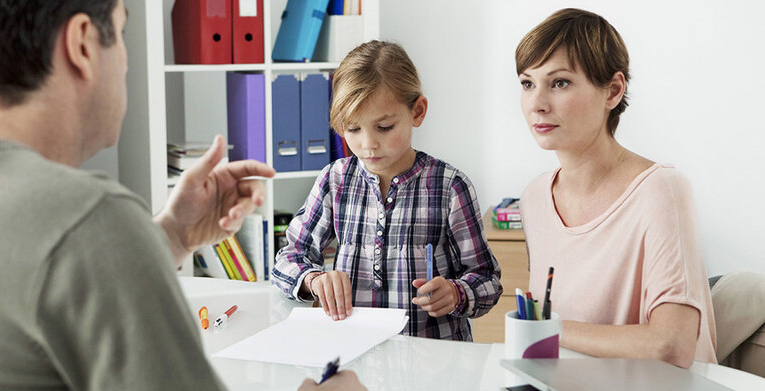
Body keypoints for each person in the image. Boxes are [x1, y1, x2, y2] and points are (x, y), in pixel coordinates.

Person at [0, 0, 364, 390]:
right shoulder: (89, 218)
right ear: (82, 45)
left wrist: (171, 235)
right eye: (121, 33)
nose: (128, 64)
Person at [515, 8, 716, 368]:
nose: (537, 104)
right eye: (528, 83)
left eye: (559, 82)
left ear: (613, 91)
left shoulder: (662, 191)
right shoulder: (534, 198)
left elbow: (672, 344)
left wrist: (543, 328)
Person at [271, 40, 502, 340]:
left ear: (417, 112)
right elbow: (288, 258)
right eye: (353, 129)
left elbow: (487, 280)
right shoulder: (334, 180)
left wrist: (457, 293)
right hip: (355, 359)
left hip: (434, 367)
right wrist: (314, 280)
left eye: (384, 127)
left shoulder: (449, 187)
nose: (368, 144)